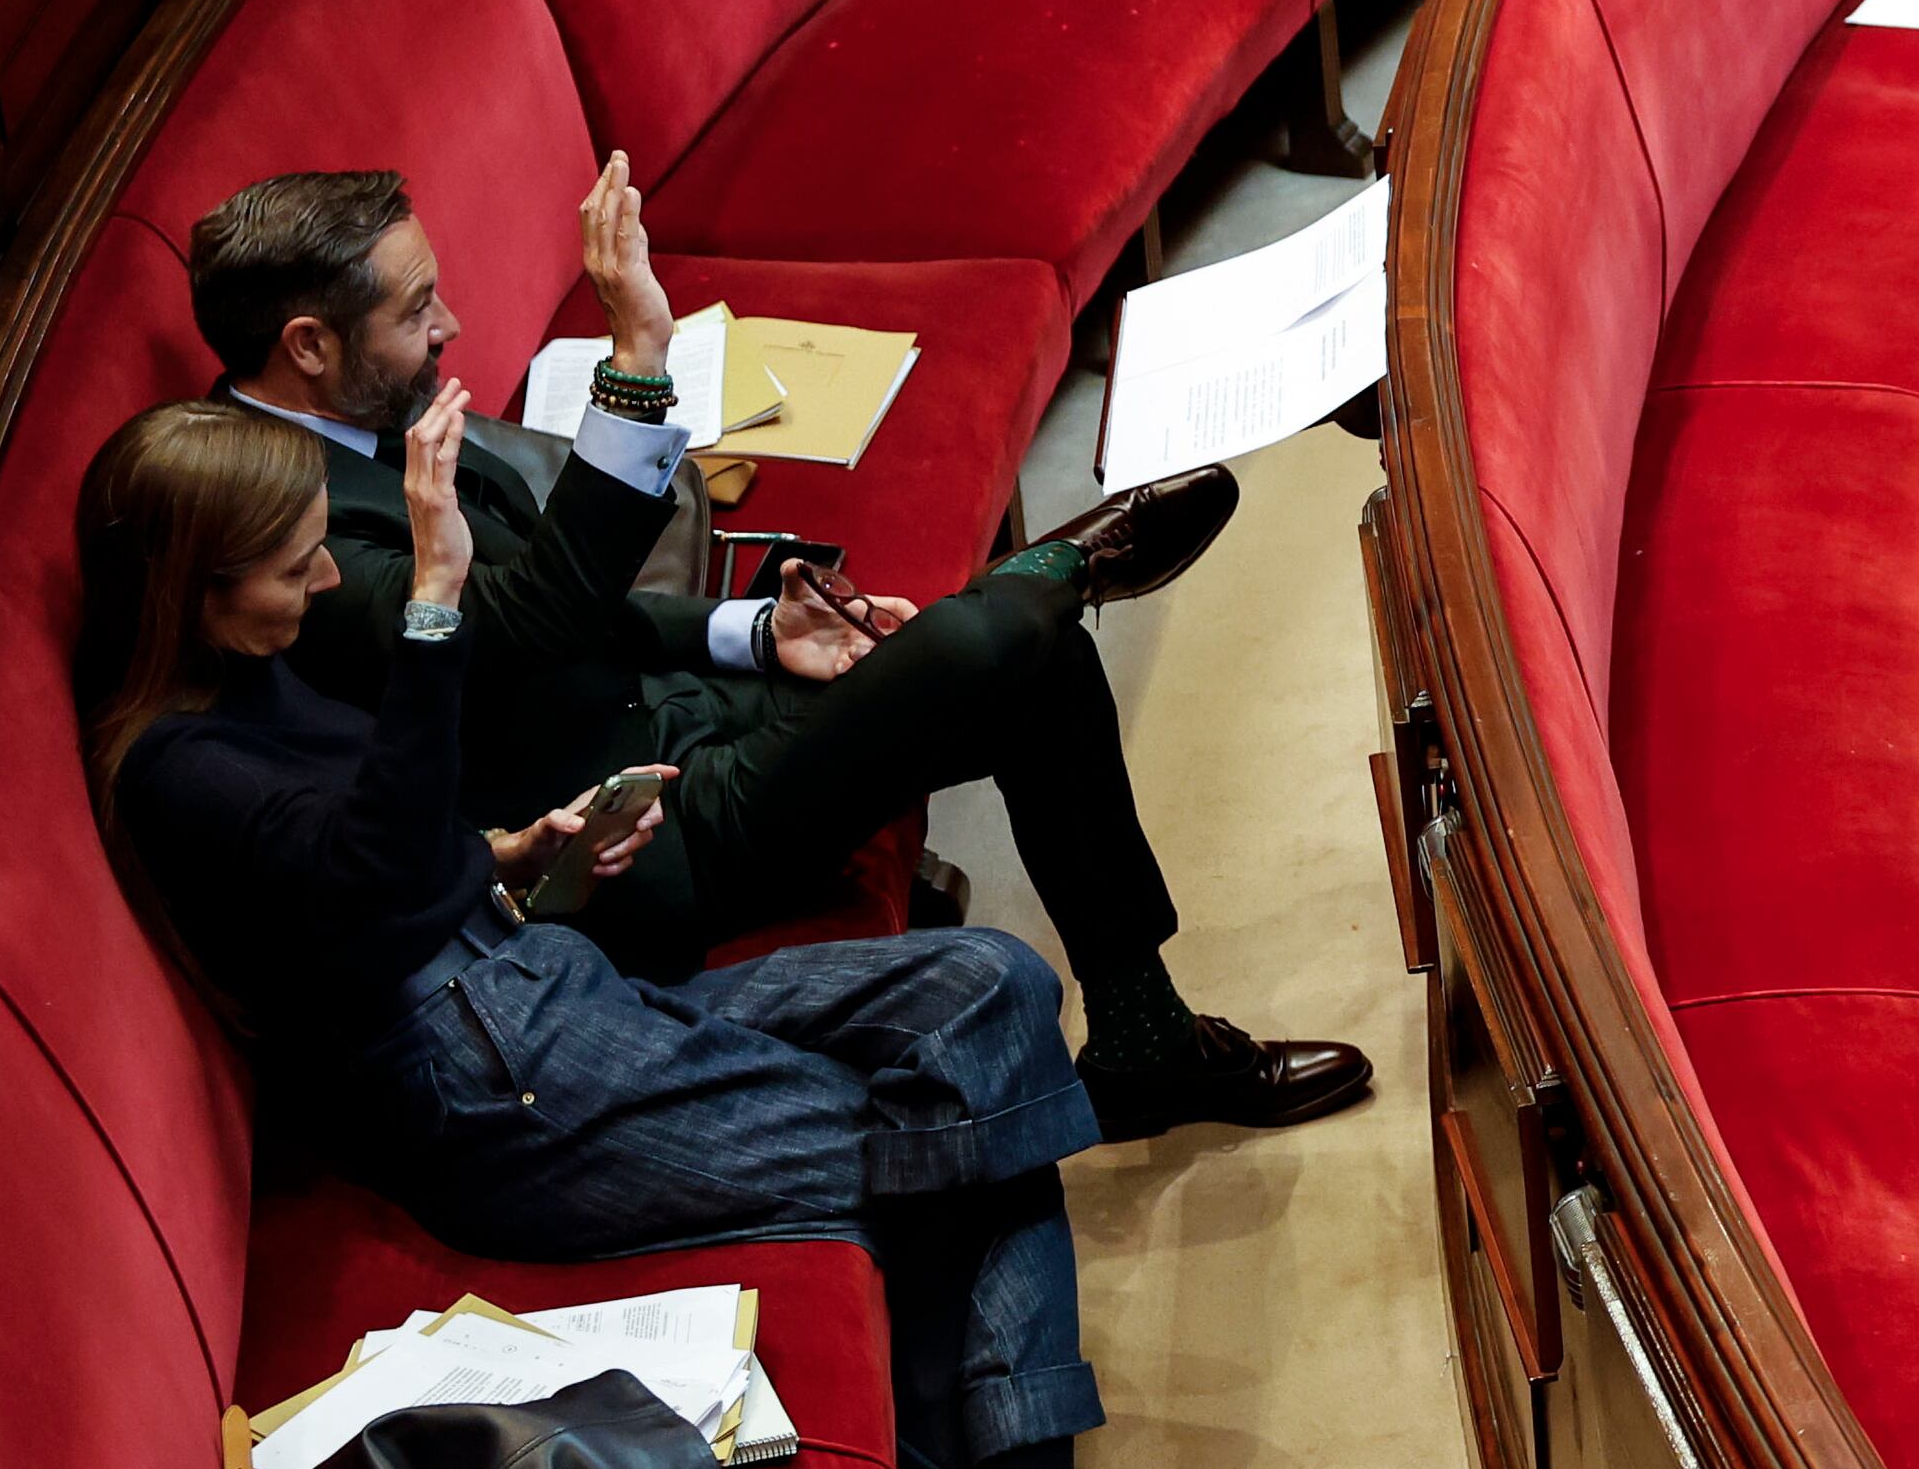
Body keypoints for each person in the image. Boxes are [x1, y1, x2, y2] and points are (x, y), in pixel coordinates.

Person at [76, 392, 1214, 1469]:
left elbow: (375, 870)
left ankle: (973, 1462)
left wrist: (512, 853)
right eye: (295, 564)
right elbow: (359, 870)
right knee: (969, 1145)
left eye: (330, 550)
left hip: (536, 978)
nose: (325, 583)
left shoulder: (252, 673)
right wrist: (433, 597)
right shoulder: (173, 768)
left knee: (988, 987)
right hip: (497, 1088)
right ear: (190, 595)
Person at [190, 162, 1367, 1142]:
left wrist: (750, 628)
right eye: (415, 309)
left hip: (684, 715)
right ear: (306, 343)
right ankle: (1056, 572)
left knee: (1035, 663)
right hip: (630, 841)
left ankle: (1145, 1034)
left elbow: (561, 604)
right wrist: (637, 356)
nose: (449, 327)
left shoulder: (373, 420)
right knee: (996, 633)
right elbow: (529, 623)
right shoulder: (293, 532)